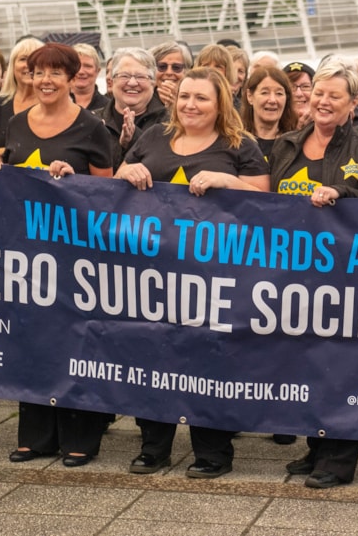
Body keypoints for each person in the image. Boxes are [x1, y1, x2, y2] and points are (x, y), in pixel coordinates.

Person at [115, 67, 268, 478]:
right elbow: (114, 185)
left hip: (215, 277)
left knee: (211, 361)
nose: (190, 105)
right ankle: (153, 446)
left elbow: (268, 203)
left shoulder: (240, 145)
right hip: (153, 275)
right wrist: (125, 172)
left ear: (220, 103)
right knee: (151, 355)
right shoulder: (153, 137)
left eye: (201, 98)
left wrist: (227, 180)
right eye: (184, 96)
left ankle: (212, 451)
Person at [0, 43, 115, 468]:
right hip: (27, 256)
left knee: (77, 343)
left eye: (55, 73)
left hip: (77, 257)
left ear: (73, 78)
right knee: (33, 342)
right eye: (37, 71)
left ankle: (81, 435)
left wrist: (74, 180)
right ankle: (36, 435)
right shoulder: (16, 123)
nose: (44, 80)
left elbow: (108, 194)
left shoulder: (92, 127)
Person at [271, 61, 358, 488]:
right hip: (294, 274)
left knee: (342, 364)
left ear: (352, 104)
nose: (323, 102)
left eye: (334, 97)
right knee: (304, 362)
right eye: (318, 93)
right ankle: (317, 442)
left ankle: (339, 458)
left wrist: (343, 193)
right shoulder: (286, 145)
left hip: (347, 277)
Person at [97, 47, 169, 169]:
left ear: (153, 83)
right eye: (124, 76)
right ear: (112, 81)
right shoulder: (93, 121)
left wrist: (134, 139)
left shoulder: (171, 123)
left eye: (141, 77)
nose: (132, 82)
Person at [0, 37, 43, 150]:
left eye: (36, 59)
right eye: (23, 59)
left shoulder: (53, 105)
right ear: (12, 66)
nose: (29, 64)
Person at [239, 65, 298, 160]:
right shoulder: (235, 142)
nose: (272, 100)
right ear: (250, 96)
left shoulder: (296, 144)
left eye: (279, 93)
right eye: (264, 92)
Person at [150, 40, 191, 116]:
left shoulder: (196, 100)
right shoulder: (142, 101)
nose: (169, 72)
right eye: (162, 66)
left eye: (176, 67)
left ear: (186, 71)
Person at [71, 43, 109, 112]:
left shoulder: (109, 108)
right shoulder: (54, 103)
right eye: (76, 65)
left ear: (97, 71)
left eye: (87, 66)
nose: (81, 71)